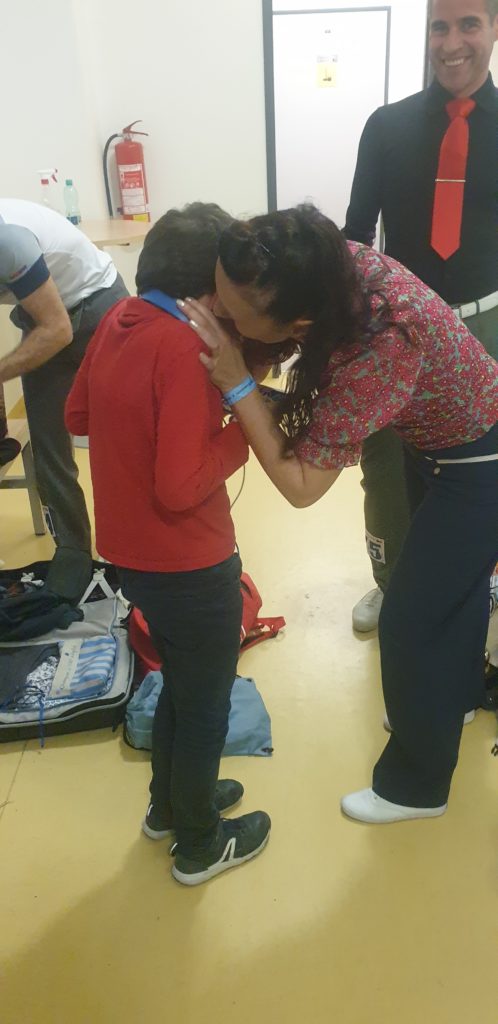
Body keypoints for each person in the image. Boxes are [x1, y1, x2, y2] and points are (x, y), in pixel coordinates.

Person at [179, 203, 498, 824]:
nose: (216, 310)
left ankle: (416, 788)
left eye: (233, 312)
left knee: (410, 620)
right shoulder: (326, 265)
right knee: (452, 601)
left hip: (478, 465)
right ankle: (447, 703)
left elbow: (302, 487)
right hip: (440, 443)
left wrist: (238, 384)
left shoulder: (385, 342)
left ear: (296, 321)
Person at [65, 202, 271, 885]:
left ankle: (171, 805)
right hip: (193, 563)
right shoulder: (185, 348)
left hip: (130, 556)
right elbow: (182, 486)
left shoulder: (119, 320)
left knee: (181, 685)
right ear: (213, 292)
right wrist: (243, 430)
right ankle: (201, 844)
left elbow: (76, 414)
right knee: (205, 701)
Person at [343, 0, 498, 631]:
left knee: (481, 473)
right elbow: (355, 237)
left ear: (494, 29)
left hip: (486, 329)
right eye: (440, 26)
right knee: (385, 469)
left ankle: (474, 583)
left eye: (469, 24)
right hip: (395, 333)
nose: (452, 42)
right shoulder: (387, 126)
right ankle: (393, 583)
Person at [0, 198, 128, 595]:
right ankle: (73, 552)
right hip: (44, 315)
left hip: (99, 303)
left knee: (126, 440)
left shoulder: (9, 240)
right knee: (49, 446)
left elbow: (58, 331)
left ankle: (139, 549)